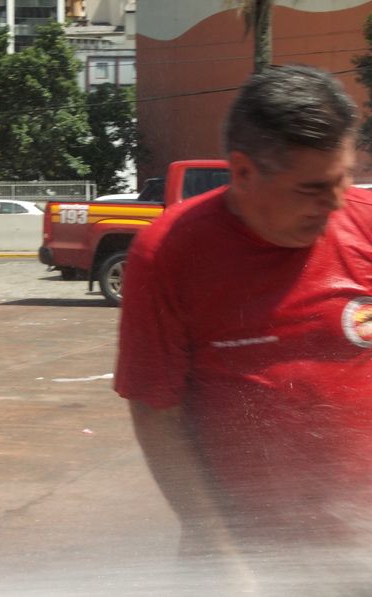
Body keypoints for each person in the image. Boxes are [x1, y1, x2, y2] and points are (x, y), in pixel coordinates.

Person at [115, 65, 372, 581]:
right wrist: (220, 553)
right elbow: (156, 414)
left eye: (344, 177)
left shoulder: (365, 224)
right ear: (243, 171)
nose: (335, 202)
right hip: (247, 555)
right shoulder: (169, 254)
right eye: (312, 188)